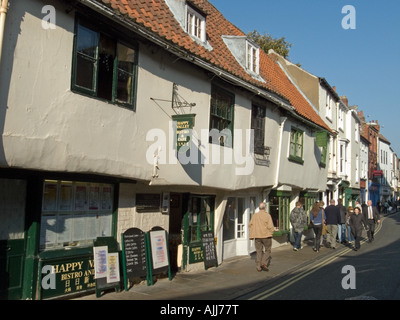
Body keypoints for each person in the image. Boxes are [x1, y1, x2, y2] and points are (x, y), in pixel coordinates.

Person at [249, 202, 275, 272]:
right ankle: (263, 262)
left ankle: (258, 266)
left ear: (259, 208)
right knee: (267, 250)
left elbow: (250, 225)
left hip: (257, 236)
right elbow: (270, 226)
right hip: (266, 236)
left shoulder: (255, 216)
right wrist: (272, 232)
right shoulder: (267, 216)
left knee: (258, 251)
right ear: (265, 208)